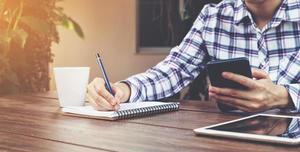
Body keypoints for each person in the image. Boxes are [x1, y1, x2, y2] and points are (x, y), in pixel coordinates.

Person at [87, 0, 300, 113]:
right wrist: (124, 89)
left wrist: (285, 96)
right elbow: (175, 69)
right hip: (230, 151)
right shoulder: (213, 17)